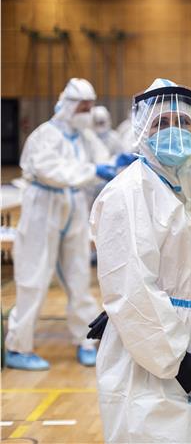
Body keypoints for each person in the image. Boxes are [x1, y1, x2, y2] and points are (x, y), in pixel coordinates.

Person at [87, 78, 191, 443]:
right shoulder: (128, 192)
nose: (173, 131)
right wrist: (173, 357)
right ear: (141, 130)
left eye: (182, 123)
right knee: (154, 428)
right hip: (155, 349)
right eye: (160, 123)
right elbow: (132, 284)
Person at [4, 78, 115, 371]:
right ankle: (18, 346)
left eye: (90, 107)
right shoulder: (45, 136)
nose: (87, 113)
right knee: (34, 278)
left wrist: (119, 164)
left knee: (79, 277)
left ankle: (86, 341)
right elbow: (52, 171)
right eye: (83, 107)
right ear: (68, 106)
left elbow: (104, 160)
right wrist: (94, 171)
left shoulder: (84, 137)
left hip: (74, 205)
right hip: (43, 206)